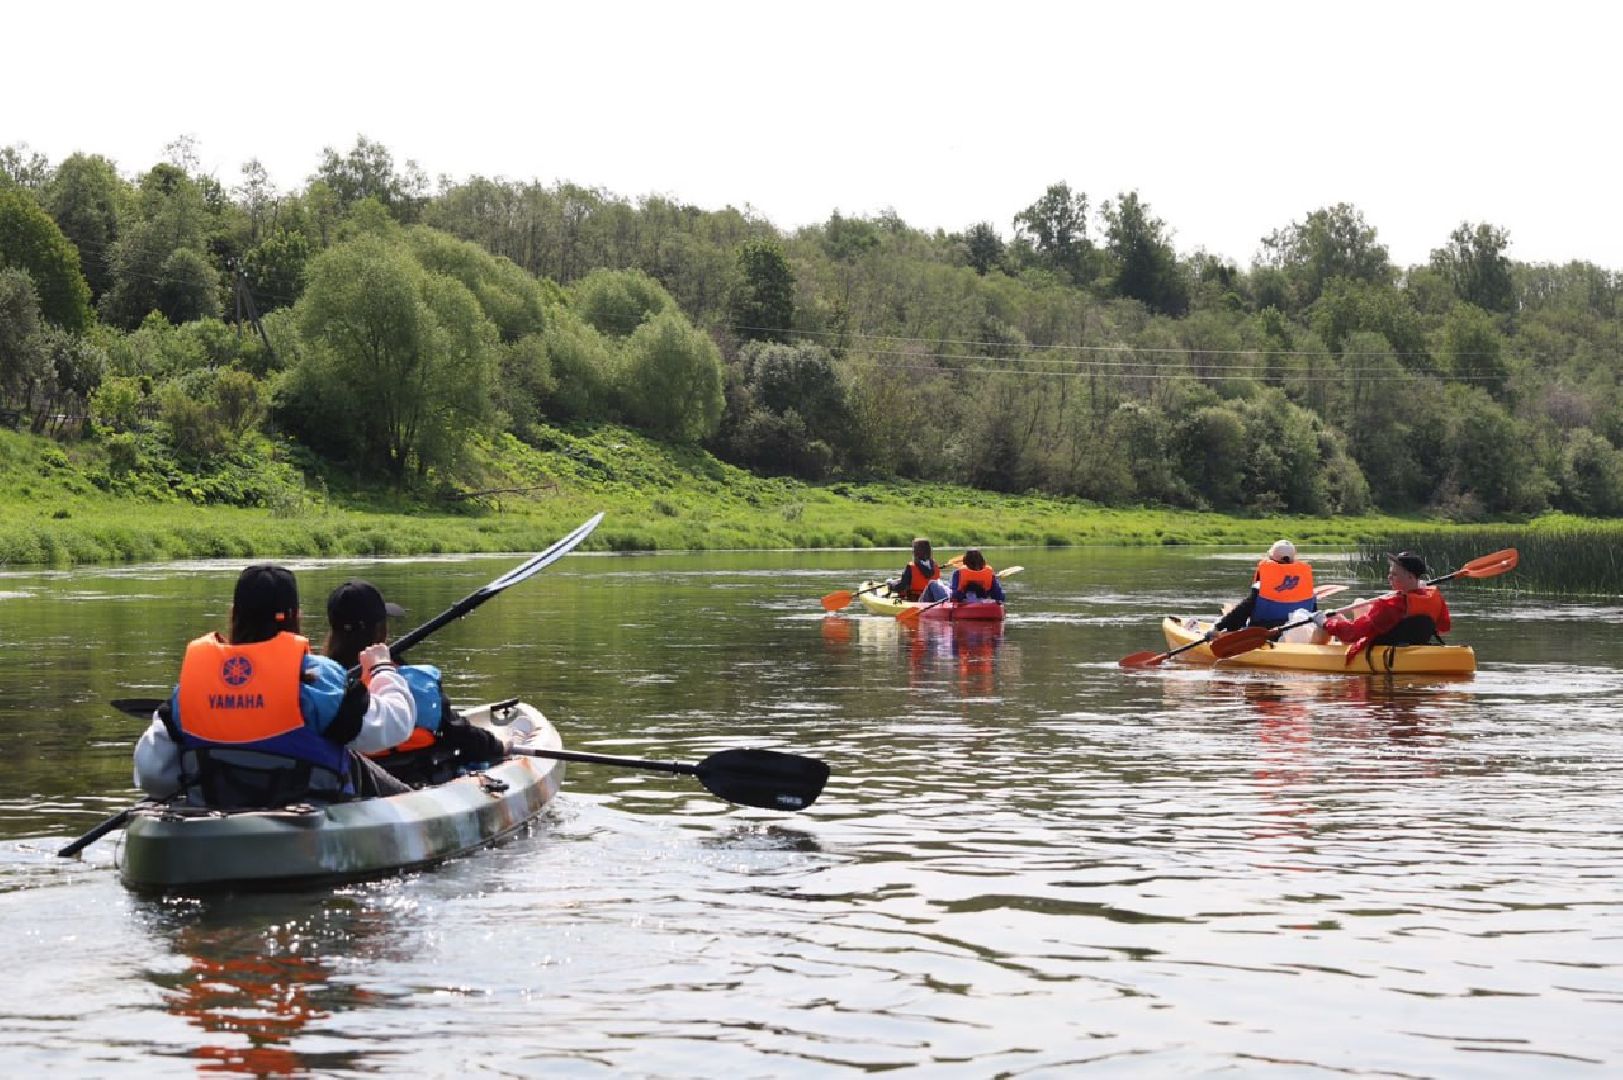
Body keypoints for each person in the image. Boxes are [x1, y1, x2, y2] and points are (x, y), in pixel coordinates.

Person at [133, 564, 416, 809]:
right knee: (352, 760)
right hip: (306, 822)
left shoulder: (189, 691)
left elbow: (152, 774)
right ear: (296, 617)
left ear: (233, 615)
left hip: (215, 817)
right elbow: (394, 726)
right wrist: (382, 669)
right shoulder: (319, 679)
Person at [324, 579, 506, 786]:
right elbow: (459, 734)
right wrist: (498, 748)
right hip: (415, 783)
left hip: (354, 786)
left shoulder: (320, 685)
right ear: (381, 631)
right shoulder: (416, 682)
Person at [1313, 551, 1451, 662]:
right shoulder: (1434, 597)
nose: (1389, 577)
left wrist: (1325, 623)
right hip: (1410, 642)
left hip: (1381, 646)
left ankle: (1310, 653)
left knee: (1330, 616)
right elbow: (1444, 627)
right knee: (1359, 602)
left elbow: (1352, 634)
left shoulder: (1389, 605)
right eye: (1390, 573)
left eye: (1394, 574)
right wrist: (1417, 592)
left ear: (1410, 577)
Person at [1211, 539, 1316, 634]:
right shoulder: (1307, 587)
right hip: (1299, 630)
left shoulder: (1261, 587)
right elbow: (1313, 614)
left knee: (1236, 624)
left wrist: (1218, 627)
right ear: (1293, 560)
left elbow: (1240, 613)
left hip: (1263, 632)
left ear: (1271, 559)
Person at [890, 537, 949, 602]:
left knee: (891, 582)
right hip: (933, 599)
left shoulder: (910, 566)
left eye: (914, 548)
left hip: (915, 599)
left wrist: (891, 586)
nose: (912, 551)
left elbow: (903, 586)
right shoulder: (935, 565)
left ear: (915, 551)